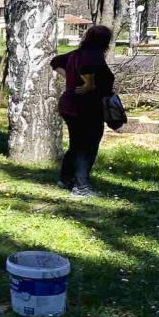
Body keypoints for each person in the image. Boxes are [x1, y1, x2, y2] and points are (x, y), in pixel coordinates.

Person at [50, 25, 115, 198]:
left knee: (77, 144)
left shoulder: (76, 54)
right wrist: (88, 84)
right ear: (105, 41)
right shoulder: (92, 55)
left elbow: (55, 61)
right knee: (87, 146)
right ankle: (81, 187)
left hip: (69, 104)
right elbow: (87, 69)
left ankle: (65, 179)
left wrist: (70, 79)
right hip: (85, 107)